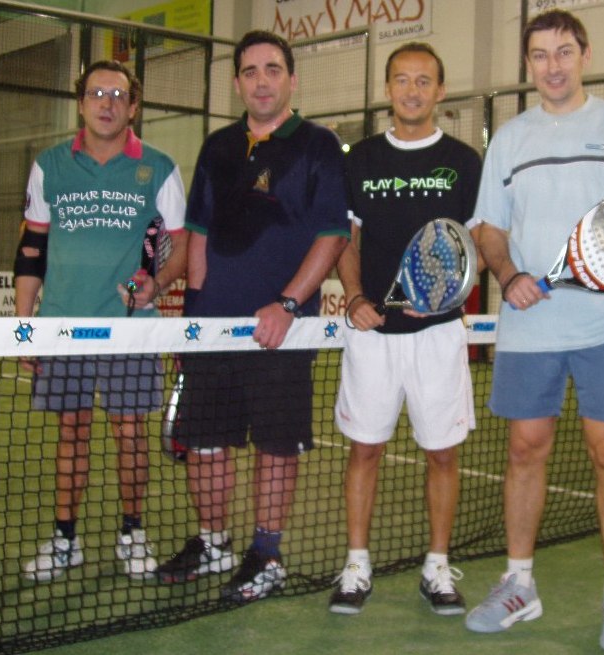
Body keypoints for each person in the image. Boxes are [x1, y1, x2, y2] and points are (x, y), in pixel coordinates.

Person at [463, 10, 604, 653]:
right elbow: (489, 228)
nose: (552, 65)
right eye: (539, 54)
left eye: (563, 51)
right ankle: (519, 585)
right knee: (525, 450)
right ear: (527, 64)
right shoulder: (509, 139)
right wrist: (507, 271)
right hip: (532, 324)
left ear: (585, 54)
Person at [155, 30, 349, 603]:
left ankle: (266, 553)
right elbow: (196, 233)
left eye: (272, 69)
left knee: (274, 445)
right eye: (249, 71)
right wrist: (184, 307)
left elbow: (333, 235)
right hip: (211, 324)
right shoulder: (216, 146)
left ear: (291, 78)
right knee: (207, 442)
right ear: (237, 81)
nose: (260, 80)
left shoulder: (319, 145)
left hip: (280, 330)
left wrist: (288, 304)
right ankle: (213, 542)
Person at [15, 60, 188, 581]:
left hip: (131, 328)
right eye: (96, 93)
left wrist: (153, 283)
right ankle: (66, 539)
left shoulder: (159, 167)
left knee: (130, 433)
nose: (107, 102)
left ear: (133, 106)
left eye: (117, 94)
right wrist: (25, 327)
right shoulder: (50, 165)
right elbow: (31, 247)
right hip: (61, 327)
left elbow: (178, 247)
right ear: (82, 102)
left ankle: (132, 532)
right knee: (71, 432)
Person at [328, 42, 483, 616]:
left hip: (439, 335)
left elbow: (478, 243)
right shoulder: (361, 159)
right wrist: (357, 297)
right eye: (402, 80)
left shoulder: (466, 162)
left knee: (442, 454)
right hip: (371, 332)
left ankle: (437, 567)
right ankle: (356, 565)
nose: (412, 90)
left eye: (424, 81)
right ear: (388, 89)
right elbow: (347, 238)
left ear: (440, 92)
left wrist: (447, 293)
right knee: (365, 449)